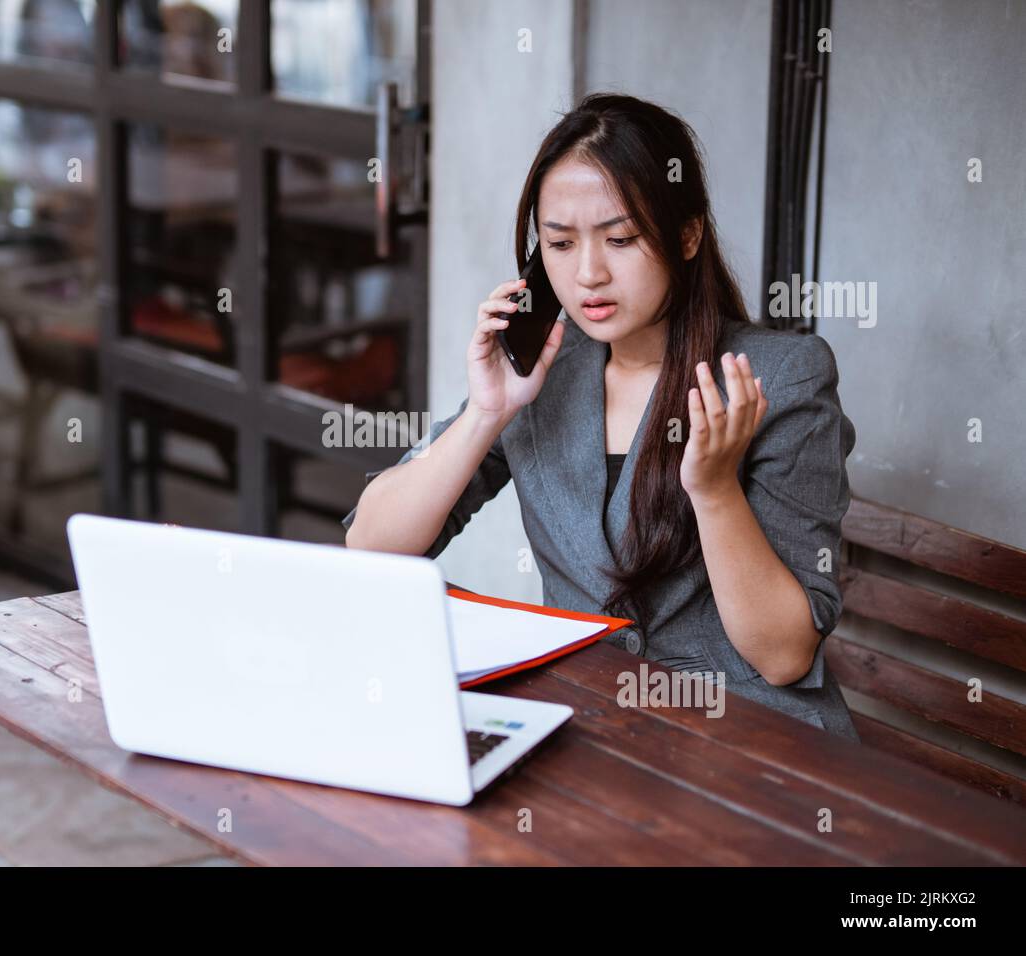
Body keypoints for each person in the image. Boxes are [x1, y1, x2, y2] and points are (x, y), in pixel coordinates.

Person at [341, 92, 859, 740]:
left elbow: (783, 656)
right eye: (559, 243)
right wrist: (486, 412)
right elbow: (372, 544)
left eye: (621, 239)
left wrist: (715, 490)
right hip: (591, 731)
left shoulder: (776, 378)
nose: (588, 274)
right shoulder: (543, 375)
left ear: (687, 234)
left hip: (748, 744)